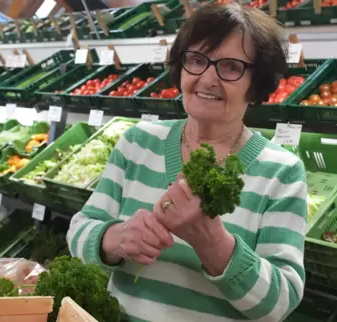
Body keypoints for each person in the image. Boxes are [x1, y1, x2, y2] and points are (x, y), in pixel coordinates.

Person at [67, 3, 307, 322]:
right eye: (196, 60)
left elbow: (279, 303)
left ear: (257, 83)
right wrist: (115, 239)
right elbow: (80, 231)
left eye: (231, 67)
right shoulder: (137, 143)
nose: (207, 78)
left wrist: (212, 243)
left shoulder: (282, 172)